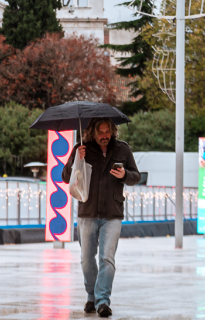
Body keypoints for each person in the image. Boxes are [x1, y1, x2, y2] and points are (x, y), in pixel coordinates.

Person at [62, 119, 140, 318]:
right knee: (86, 259)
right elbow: (65, 177)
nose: (104, 135)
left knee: (107, 258)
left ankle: (103, 301)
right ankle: (92, 296)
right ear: (93, 133)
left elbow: (136, 176)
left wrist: (124, 175)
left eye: (107, 131)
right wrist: (76, 159)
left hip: (113, 213)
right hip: (87, 211)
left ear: (113, 131)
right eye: (100, 132)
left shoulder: (123, 149)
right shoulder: (81, 148)